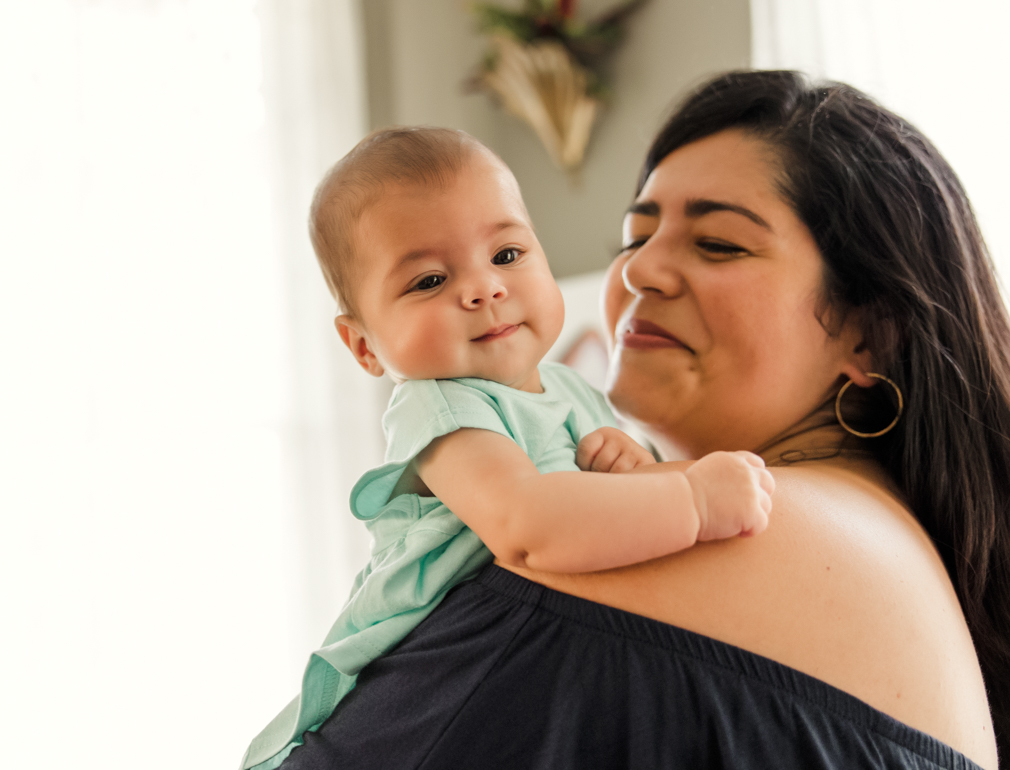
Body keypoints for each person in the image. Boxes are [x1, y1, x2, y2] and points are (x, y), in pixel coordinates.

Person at [268, 70, 1010, 770]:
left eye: (718, 242)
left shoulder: (721, 524)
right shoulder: (884, 542)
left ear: (867, 334)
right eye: (635, 236)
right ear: (362, 343)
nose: (637, 271)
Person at [240, 128, 776, 770]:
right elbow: (529, 526)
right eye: (430, 279)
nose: (482, 289)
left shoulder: (572, 389)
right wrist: (690, 497)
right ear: (363, 347)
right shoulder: (443, 408)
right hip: (411, 696)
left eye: (507, 254)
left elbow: (605, 512)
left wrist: (631, 467)